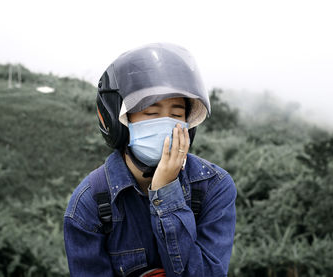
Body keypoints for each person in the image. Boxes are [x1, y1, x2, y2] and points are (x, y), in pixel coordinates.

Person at [64, 43, 237, 277]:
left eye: (176, 114)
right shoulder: (90, 203)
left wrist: (165, 192)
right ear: (121, 122)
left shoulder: (213, 187)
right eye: (151, 113)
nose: (165, 123)